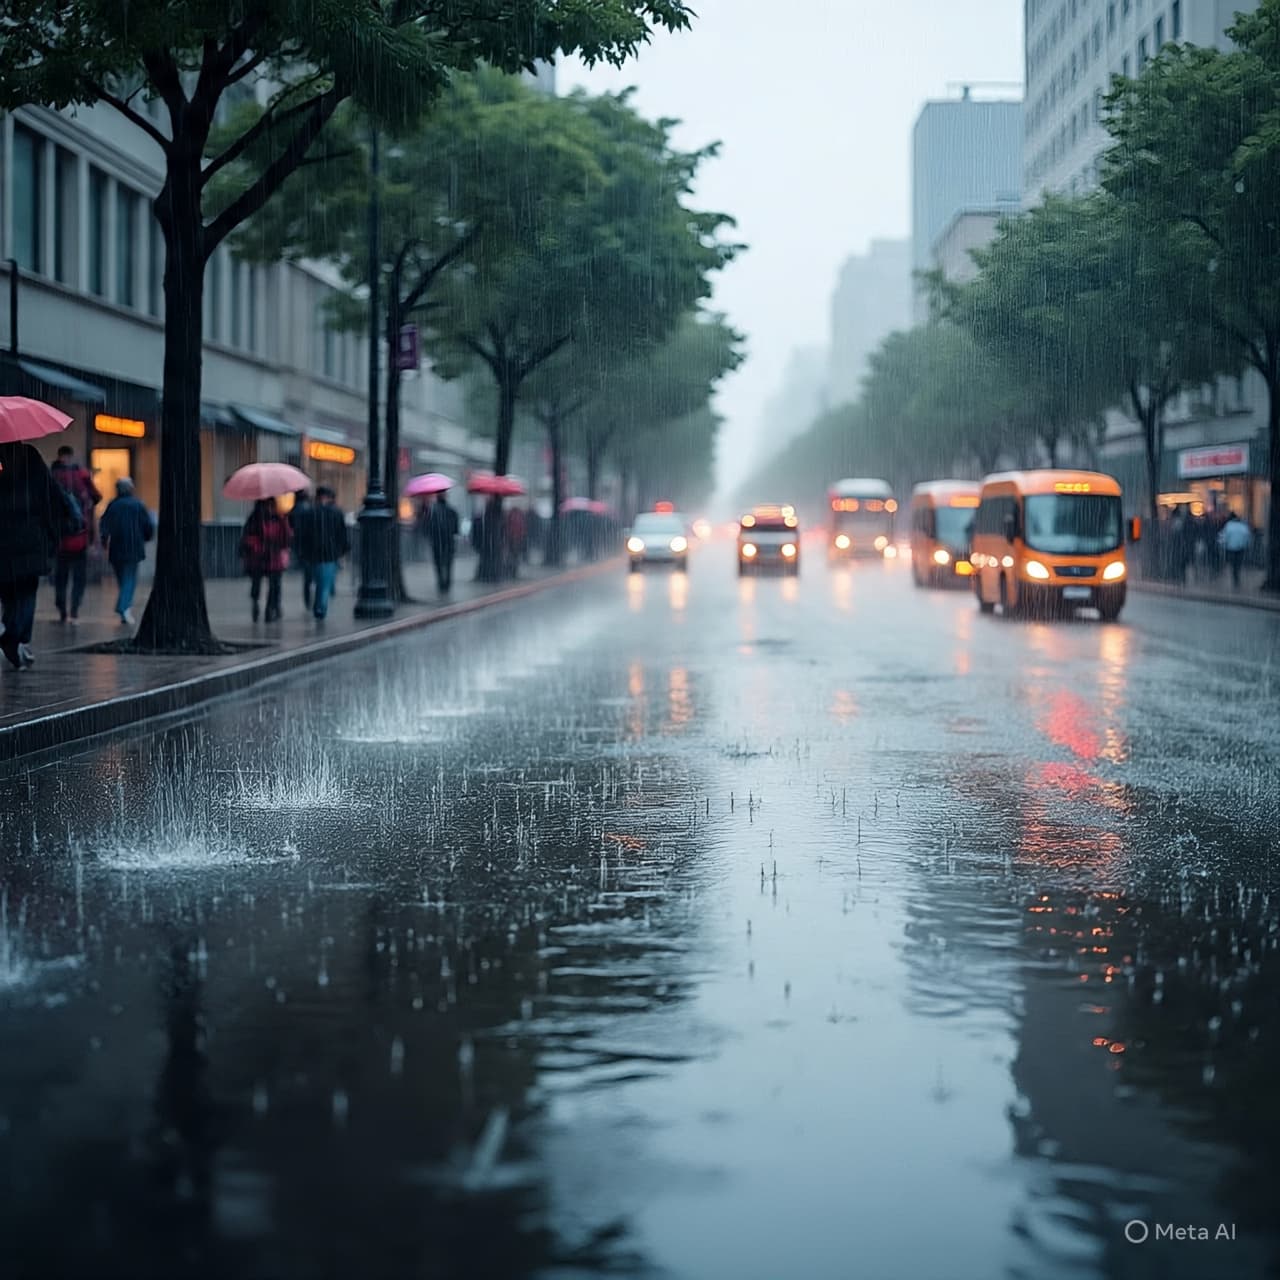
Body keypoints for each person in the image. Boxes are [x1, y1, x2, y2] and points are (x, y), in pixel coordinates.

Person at [0, 441, 68, 669]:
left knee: (9, 591)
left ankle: (13, 634)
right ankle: (15, 636)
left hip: (4, 538)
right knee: (26, 590)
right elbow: (50, 494)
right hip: (31, 537)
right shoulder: (28, 456)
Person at [50, 445, 102, 623]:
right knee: (79, 577)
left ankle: (62, 609)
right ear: (70, 456)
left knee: (61, 577)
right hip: (80, 536)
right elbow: (97, 497)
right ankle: (74, 610)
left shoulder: (53, 475)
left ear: (59, 456)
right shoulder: (81, 474)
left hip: (60, 538)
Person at [98, 477, 154, 626]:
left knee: (122, 579)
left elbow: (104, 525)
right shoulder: (138, 505)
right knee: (129, 579)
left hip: (117, 547)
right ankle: (123, 606)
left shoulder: (113, 505)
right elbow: (147, 526)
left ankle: (124, 607)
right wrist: (146, 537)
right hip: (134, 547)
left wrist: (104, 541)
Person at [239, 497, 292, 622]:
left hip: (270, 557)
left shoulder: (277, 518)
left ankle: (270, 609)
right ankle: (259, 605)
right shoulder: (256, 519)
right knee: (261, 584)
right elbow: (247, 538)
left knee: (273, 584)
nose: (269, 508)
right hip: (262, 557)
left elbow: (286, 538)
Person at [305, 486, 349, 619]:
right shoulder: (336, 512)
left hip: (313, 553)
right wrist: (343, 549)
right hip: (329, 553)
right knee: (325, 583)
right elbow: (342, 533)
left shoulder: (311, 512)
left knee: (317, 581)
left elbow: (304, 534)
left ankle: (317, 604)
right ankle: (320, 607)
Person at [425, 491, 460, 593]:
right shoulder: (452, 511)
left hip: (437, 542)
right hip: (449, 542)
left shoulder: (432, 512)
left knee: (438, 563)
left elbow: (428, 528)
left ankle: (441, 583)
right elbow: (456, 529)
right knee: (448, 564)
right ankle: (447, 583)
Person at [289, 488, 317, 609]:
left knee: (307, 575)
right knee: (310, 574)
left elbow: (290, 525)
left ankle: (307, 598)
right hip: (310, 545)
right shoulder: (309, 510)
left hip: (300, 543)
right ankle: (311, 598)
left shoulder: (294, 510)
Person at [1217, 510, 1252, 588]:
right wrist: (1246, 545)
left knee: (1233, 564)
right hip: (1241, 548)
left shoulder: (1229, 525)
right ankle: (1237, 576)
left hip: (1231, 547)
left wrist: (1222, 544)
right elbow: (1247, 536)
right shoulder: (1243, 526)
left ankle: (1235, 577)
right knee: (1238, 563)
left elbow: (1224, 536)